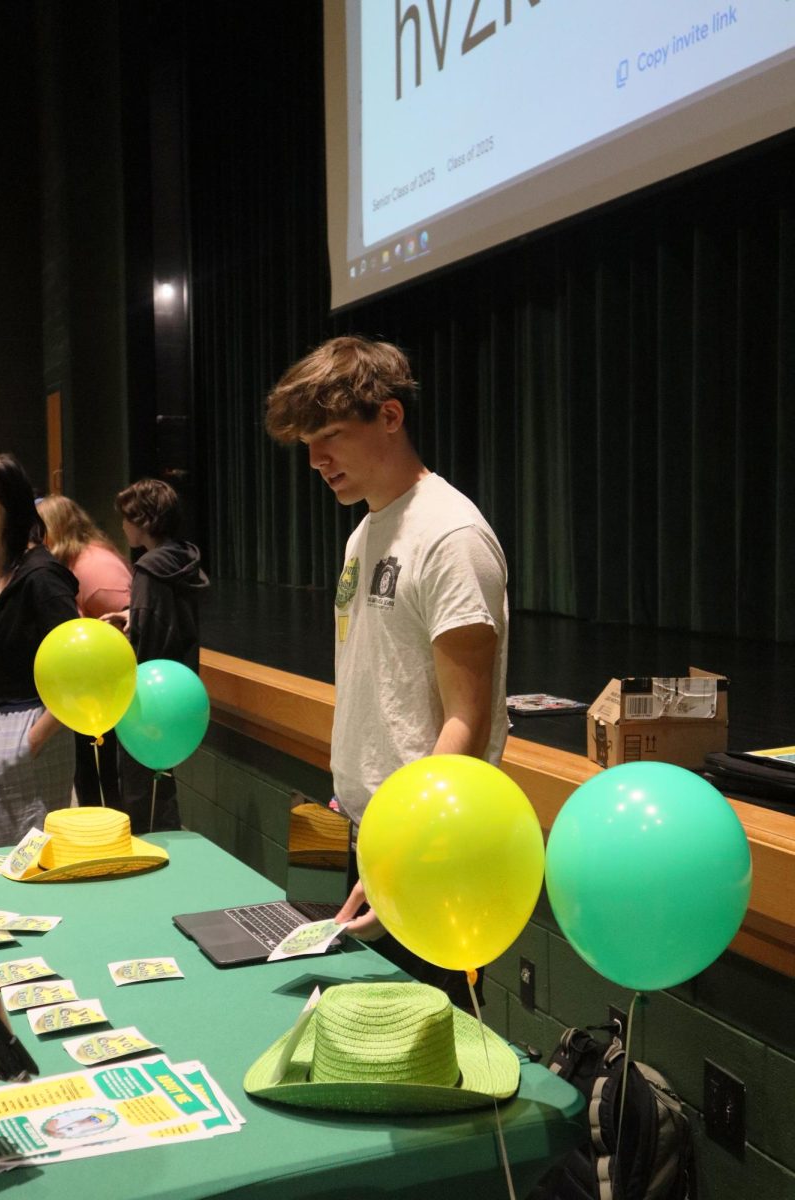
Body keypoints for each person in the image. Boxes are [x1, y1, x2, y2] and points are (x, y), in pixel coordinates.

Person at [266, 336, 509, 1006]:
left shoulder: (451, 537)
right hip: (372, 831)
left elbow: (468, 717)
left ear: (391, 417)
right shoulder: (365, 531)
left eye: (332, 437)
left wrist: (402, 849)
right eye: (308, 444)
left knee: (434, 1055)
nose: (316, 460)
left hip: (429, 843)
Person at [102, 478, 209, 832]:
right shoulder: (181, 559)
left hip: (147, 699)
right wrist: (133, 616)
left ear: (144, 521)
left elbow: (148, 640)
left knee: (137, 791)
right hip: (178, 690)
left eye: (127, 518)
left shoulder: (148, 568)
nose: (122, 525)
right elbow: (169, 620)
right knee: (163, 787)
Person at [0, 454, 79, 846]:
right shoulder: (1, 568)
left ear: (7, 507)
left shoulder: (42, 576)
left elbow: (77, 670)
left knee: (30, 859)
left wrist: (32, 741)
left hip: (30, 729)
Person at [37, 494, 132, 807]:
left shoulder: (95, 567)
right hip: (85, 689)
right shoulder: (68, 562)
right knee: (87, 773)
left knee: (109, 778)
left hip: (107, 691)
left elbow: (131, 625)